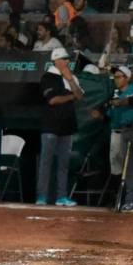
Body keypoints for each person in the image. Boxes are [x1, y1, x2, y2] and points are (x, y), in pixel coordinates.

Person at [92, 65, 133, 212]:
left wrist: (122, 102)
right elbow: (107, 114)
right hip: (116, 132)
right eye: (114, 77)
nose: (115, 80)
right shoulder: (113, 94)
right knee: (117, 166)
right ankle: (119, 198)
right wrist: (100, 115)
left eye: (119, 77)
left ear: (127, 78)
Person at [36, 48, 84, 207]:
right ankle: (42, 196)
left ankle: (61, 196)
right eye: (64, 59)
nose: (68, 62)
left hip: (67, 125)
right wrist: (72, 96)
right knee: (46, 162)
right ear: (56, 61)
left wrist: (70, 80)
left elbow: (81, 96)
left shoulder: (72, 77)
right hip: (51, 125)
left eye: (68, 59)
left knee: (63, 163)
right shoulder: (48, 77)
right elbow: (53, 100)